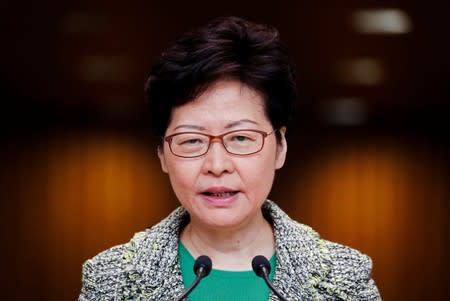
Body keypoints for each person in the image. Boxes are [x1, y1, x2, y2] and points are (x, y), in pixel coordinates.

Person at [78, 16, 381, 301]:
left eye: (240, 138)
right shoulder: (110, 280)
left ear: (280, 146)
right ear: (162, 155)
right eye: (192, 140)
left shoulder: (346, 282)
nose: (217, 165)